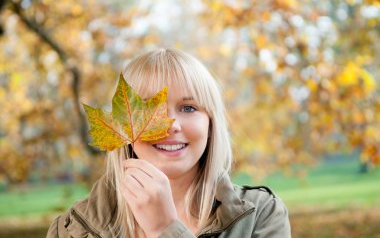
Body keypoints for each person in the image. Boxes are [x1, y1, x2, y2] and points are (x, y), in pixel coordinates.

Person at [47, 48, 291, 237]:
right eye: (153, 111)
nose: (171, 125)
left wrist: (165, 229)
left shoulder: (259, 215)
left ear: (210, 124)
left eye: (188, 107)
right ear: (124, 126)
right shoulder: (71, 230)